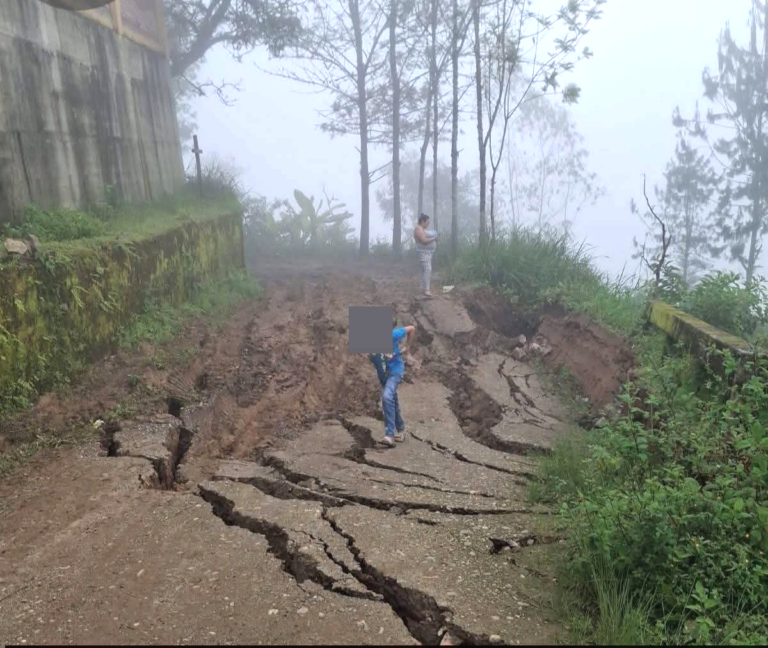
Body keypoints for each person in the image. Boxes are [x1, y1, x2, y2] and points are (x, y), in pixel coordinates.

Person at [369, 322, 417, 448]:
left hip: (395, 372)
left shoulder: (392, 335)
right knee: (392, 400)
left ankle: (389, 435)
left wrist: (407, 348)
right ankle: (400, 430)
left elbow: (411, 328)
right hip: (384, 376)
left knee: (387, 397)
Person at [414, 213, 438, 297]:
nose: (428, 224)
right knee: (427, 269)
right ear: (422, 221)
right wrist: (434, 238)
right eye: (427, 222)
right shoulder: (418, 229)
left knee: (424, 270)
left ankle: (422, 288)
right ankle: (426, 290)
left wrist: (435, 237)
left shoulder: (422, 229)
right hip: (423, 253)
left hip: (428, 253)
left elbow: (428, 236)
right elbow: (423, 241)